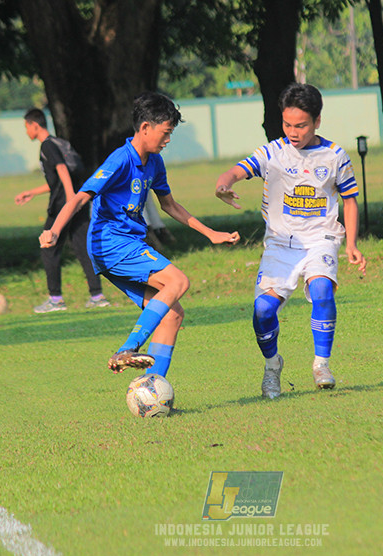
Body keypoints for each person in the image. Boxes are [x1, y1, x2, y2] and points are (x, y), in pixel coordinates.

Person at [40, 92, 240, 375]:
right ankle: (128, 348)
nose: (168, 140)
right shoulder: (120, 160)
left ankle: (151, 389)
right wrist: (54, 231)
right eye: (165, 132)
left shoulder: (155, 162)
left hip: (127, 243)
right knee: (178, 281)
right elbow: (79, 198)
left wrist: (210, 233)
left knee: (172, 314)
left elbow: (169, 205)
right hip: (111, 243)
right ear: (145, 127)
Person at [215, 83, 367, 399]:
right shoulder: (272, 153)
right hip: (281, 245)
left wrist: (351, 244)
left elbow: (350, 200)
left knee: (323, 289)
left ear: (317, 121)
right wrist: (223, 183)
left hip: (320, 239)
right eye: (287, 124)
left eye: (301, 125)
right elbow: (238, 170)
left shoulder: (335, 156)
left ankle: (321, 365)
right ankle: (273, 367)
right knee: (262, 311)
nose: (293, 132)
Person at [16, 108, 110, 313]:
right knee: (83, 247)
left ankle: (56, 299)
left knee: (48, 247)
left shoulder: (47, 145)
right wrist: (31, 192)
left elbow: (62, 170)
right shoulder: (57, 143)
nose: (26, 132)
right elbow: (55, 181)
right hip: (75, 203)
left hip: (63, 206)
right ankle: (97, 296)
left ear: (34, 125)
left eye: (26, 127)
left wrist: (70, 200)